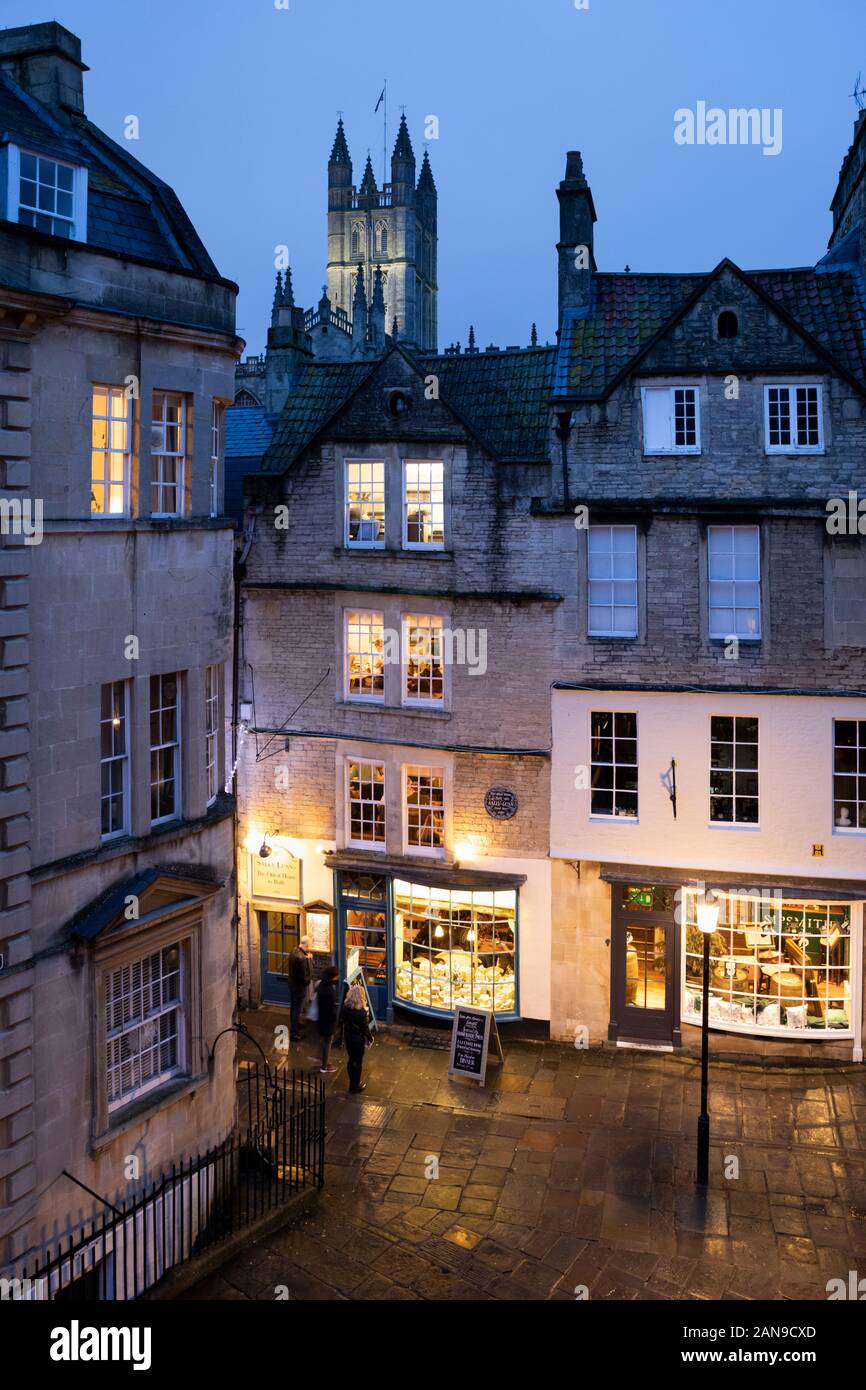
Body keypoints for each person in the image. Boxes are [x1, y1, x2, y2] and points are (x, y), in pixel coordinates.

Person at [340, 983, 373, 1094]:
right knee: (358, 1061)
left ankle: (351, 1084)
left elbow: (341, 1021)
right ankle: (356, 1085)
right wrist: (370, 1038)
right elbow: (365, 1028)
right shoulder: (362, 1013)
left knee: (351, 1059)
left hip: (348, 1037)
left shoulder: (345, 1008)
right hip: (358, 1039)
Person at [315, 964, 340, 1074]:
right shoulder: (329, 991)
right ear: (331, 977)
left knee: (325, 1041)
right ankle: (324, 1066)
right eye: (336, 977)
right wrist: (336, 1020)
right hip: (328, 1021)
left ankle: (324, 1061)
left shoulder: (321, 985)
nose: (337, 979)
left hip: (321, 1018)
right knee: (327, 1042)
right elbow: (330, 1009)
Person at [288, 935, 313, 1041]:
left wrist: (306, 957)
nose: (309, 948)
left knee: (293, 1007)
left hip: (292, 984)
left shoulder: (294, 951)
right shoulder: (302, 958)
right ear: (306, 945)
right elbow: (305, 977)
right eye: (309, 946)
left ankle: (295, 1024)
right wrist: (309, 961)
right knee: (297, 1010)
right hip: (299, 987)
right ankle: (294, 1033)